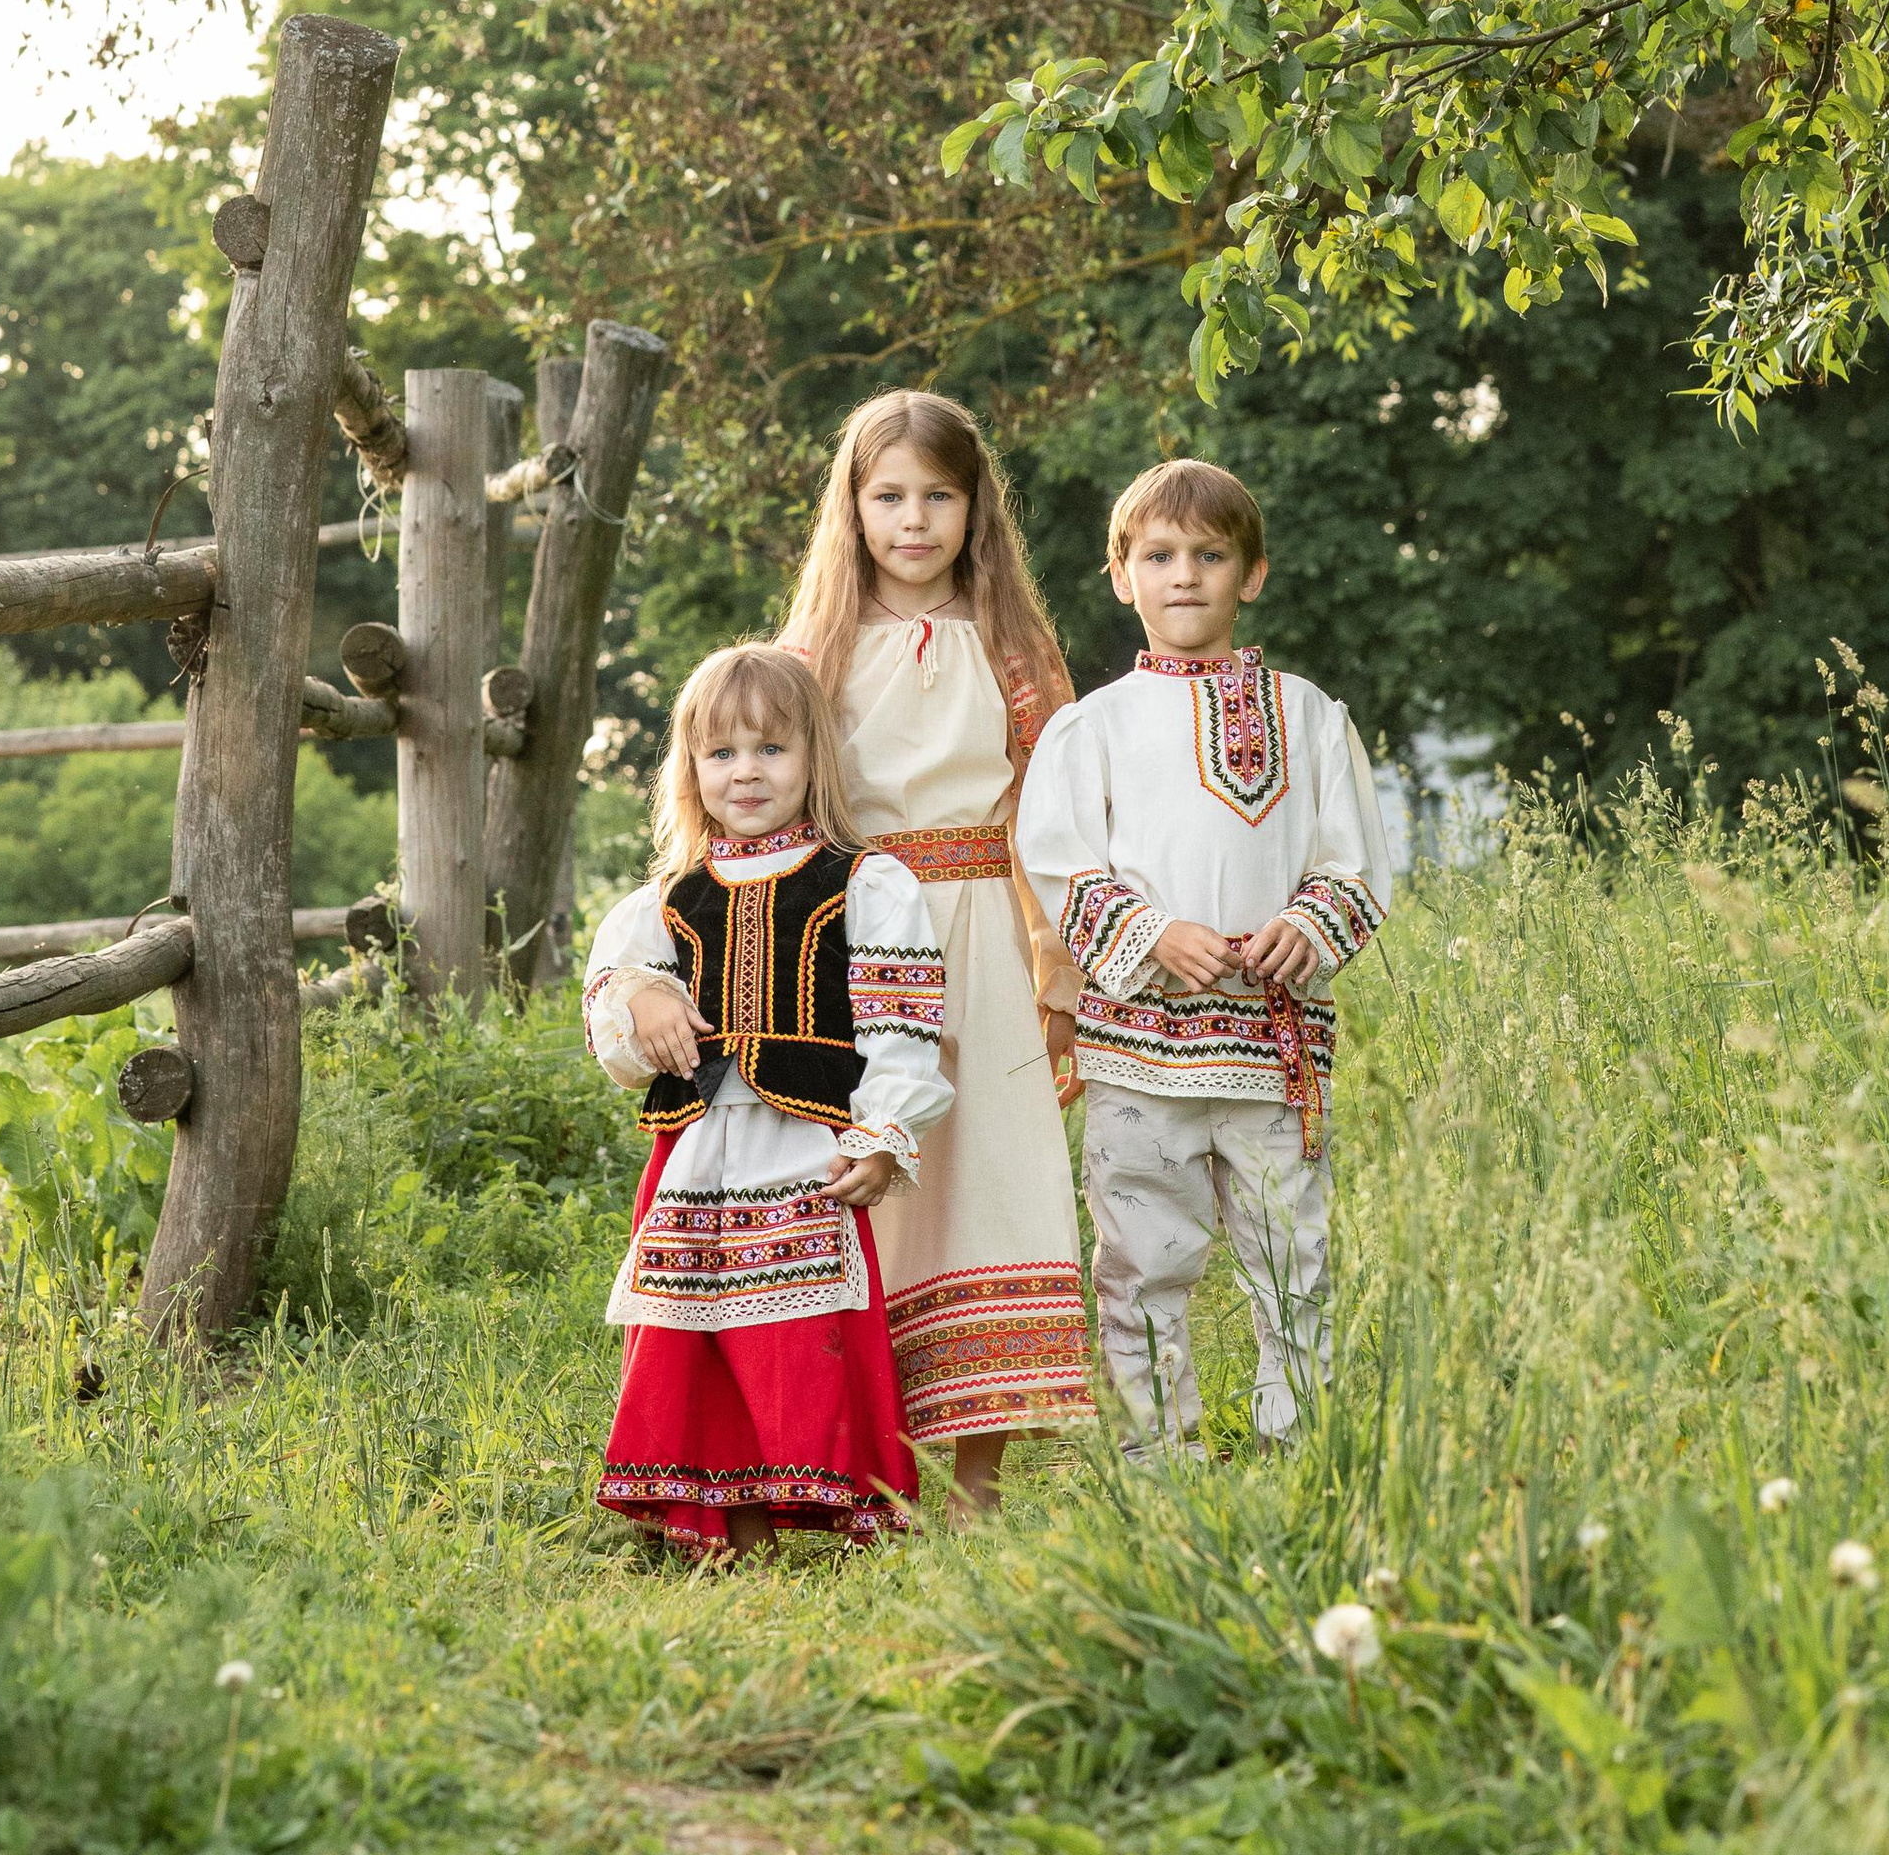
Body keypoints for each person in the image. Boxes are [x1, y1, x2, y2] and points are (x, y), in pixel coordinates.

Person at [1016, 458, 1390, 1453]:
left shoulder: (1309, 715)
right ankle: (1160, 1465)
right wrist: (1148, 934)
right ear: (1120, 576)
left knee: (1290, 1254)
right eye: (1159, 555)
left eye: (1210, 555)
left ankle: (1293, 1447)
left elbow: (1353, 861)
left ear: (1251, 575)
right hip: (1139, 1050)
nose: (1184, 575)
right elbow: (1055, 862)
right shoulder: (1087, 728)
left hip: (1271, 1048)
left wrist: (1304, 926)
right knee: (1141, 1261)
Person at [781, 391, 1094, 1510]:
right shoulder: (812, 651)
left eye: (939, 496)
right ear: (853, 506)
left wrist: (1058, 963)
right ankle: (860, 1462)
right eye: (889, 496)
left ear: (975, 507)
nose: (914, 520)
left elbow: (1055, 811)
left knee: (991, 1183)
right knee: (869, 1183)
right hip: (861, 935)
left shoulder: (1010, 646)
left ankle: (978, 1477)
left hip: (986, 940)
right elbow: (770, 797)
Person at [583, 641, 951, 1554]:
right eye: (722, 753)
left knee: (798, 1330)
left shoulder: (864, 884)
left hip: (805, 1146)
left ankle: (819, 1497)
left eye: (770, 749)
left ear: (813, 759)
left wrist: (884, 1135)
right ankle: (727, 1525)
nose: (745, 772)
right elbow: (609, 1017)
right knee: (695, 1332)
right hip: (698, 1155)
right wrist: (643, 996)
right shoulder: (666, 900)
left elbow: (901, 1026)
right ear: (691, 767)